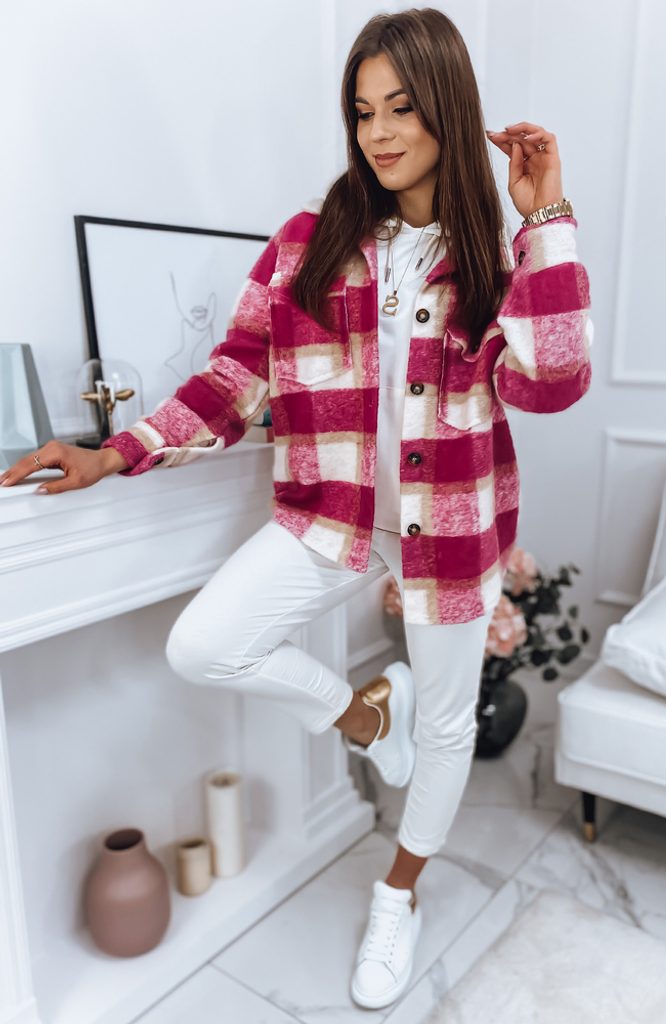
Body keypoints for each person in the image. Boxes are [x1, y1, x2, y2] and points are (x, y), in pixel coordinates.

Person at [0, 7, 593, 1010]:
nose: (380, 132)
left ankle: (398, 895)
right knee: (204, 643)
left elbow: (555, 382)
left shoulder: (497, 259)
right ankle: (365, 713)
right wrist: (116, 451)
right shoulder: (308, 244)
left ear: (448, 108)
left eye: (402, 107)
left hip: (451, 529)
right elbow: (235, 376)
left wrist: (548, 219)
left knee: (447, 726)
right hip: (335, 515)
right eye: (363, 111)